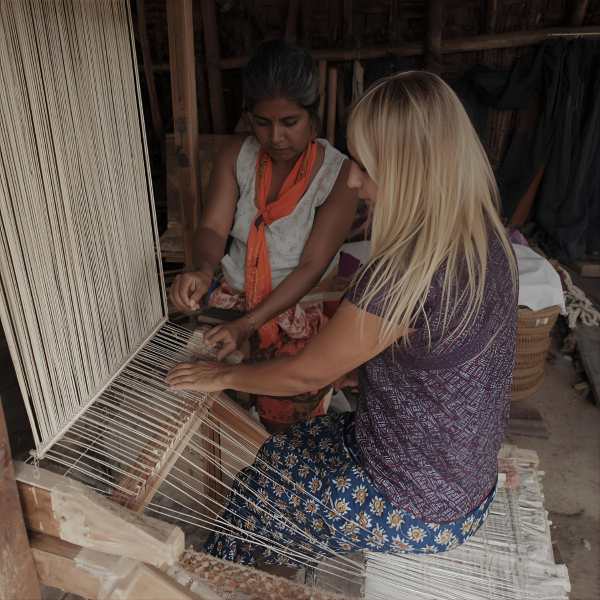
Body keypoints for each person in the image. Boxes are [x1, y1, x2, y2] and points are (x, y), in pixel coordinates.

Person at [166, 72, 518, 573]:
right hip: (460, 477)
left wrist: (218, 376)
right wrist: (370, 371)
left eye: (366, 167)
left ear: (410, 170)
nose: (353, 180)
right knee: (285, 449)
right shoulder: (487, 238)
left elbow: (304, 374)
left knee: (257, 500)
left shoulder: (407, 271)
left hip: (417, 503)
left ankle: (220, 581)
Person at [169, 40, 357, 433]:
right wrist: (202, 269)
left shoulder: (338, 176)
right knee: (221, 414)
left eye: (290, 122)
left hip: (298, 310)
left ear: (312, 116)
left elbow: (310, 266)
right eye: (262, 122)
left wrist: (247, 324)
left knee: (285, 428)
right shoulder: (237, 154)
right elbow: (213, 227)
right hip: (233, 298)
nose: (275, 137)